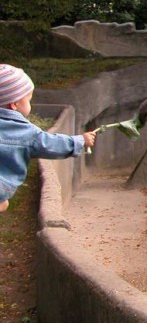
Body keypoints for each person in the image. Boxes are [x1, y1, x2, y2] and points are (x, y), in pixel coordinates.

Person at [0, 64, 97, 212]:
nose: (30, 104)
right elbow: (50, 144)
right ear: (14, 105)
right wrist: (80, 141)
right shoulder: (23, 132)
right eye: (28, 100)